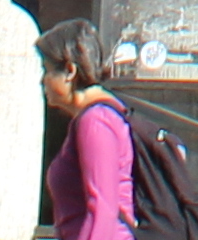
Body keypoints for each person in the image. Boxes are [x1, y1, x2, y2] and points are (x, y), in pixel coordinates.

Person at [45, 21, 138, 240]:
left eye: (47, 70)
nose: (43, 80)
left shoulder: (95, 121)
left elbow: (102, 208)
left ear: (69, 71)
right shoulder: (101, 115)